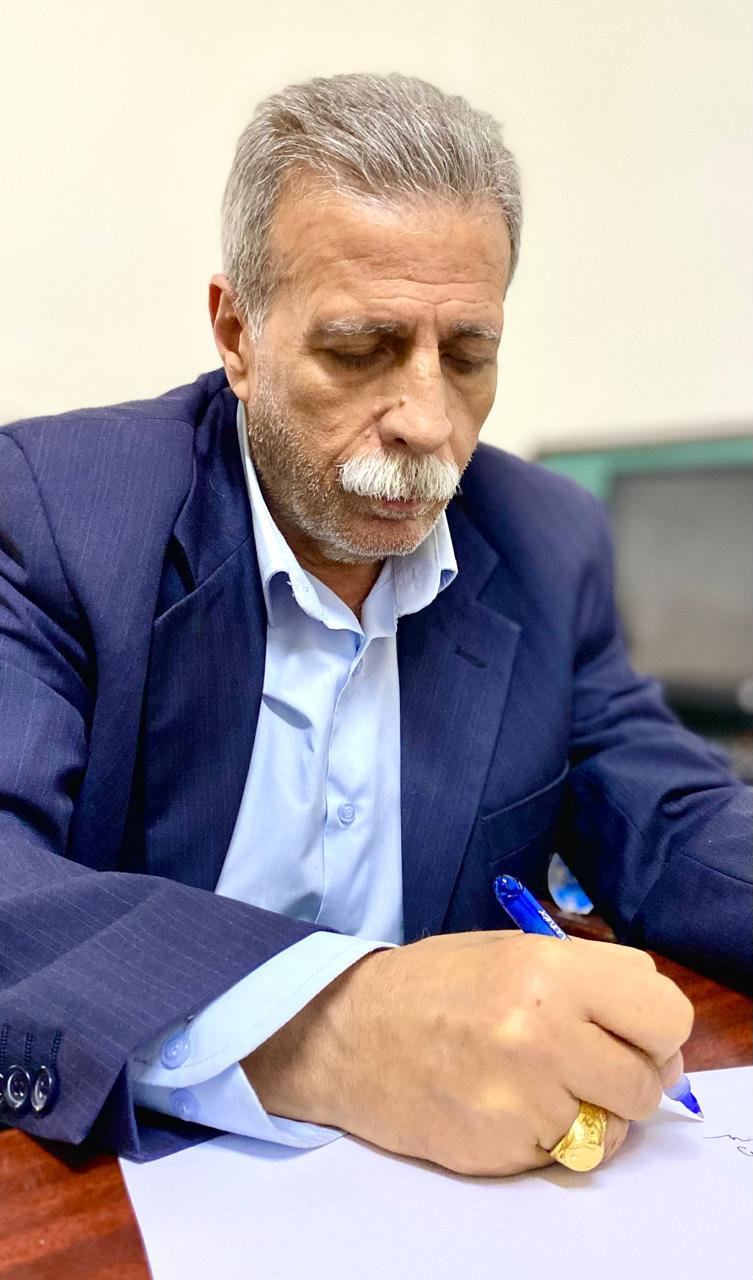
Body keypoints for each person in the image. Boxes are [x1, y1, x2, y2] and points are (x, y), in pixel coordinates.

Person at [0, 73, 750, 1177]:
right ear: (238, 332)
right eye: (360, 350)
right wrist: (339, 1028)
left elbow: (672, 819)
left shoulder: (542, 540)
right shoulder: (58, 512)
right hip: (118, 1185)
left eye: (469, 354)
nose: (427, 420)